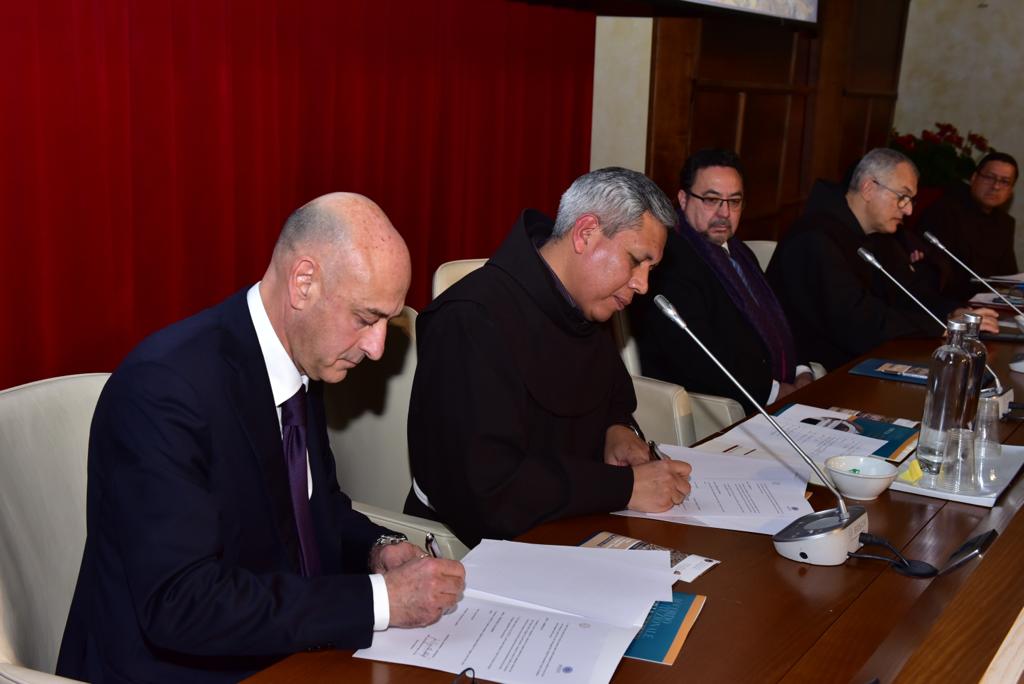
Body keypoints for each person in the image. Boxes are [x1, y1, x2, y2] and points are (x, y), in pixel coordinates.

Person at [57, 193, 465, 683]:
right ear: (304, 283)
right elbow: (181, 603)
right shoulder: (164, 390)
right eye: (365, 318)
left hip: (284, 655)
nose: (377, 348)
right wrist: (381, 600)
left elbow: (314, 512)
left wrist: (378, 548)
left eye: (387, 321)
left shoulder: (303, 361)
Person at [404, 167, 693, 548]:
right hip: (475, 548)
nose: (642, 284)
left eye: (650, 269)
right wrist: (624, 487)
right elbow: (486, 490)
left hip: (575, 523)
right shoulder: (469, 319)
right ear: (586, 233)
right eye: (635, 261)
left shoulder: (586, 301)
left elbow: (610, 397)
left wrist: (617, 431)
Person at [767, 148, 999, 371]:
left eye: (911, 200)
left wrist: (953, 314)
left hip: (864, 357)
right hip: (813, 370)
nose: (908, 210)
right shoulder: (815, 237)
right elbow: (855, 320)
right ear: (869, 188)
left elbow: (908, 293)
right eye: (902, 197)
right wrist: (941, 326)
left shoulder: (879, 236)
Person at [631, 149, 813, 414]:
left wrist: (802, 369)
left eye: (734, 201)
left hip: (778, 394)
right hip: (723, 406)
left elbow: (781, 319)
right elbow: (696, 355)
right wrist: (774, 391)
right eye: (711, 200)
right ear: (683, 199)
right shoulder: (669, 260)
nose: (725, 212)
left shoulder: (740, 251)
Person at [918, 151, 1019, 300]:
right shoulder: (944, 209)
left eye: (1005, 181)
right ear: (973, 178)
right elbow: (934, 270)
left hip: (984, 301)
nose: (996, 186)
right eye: (990, 177)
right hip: (943, 300)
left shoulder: (1006, 223)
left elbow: (1007, 275)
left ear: (1010, 191)